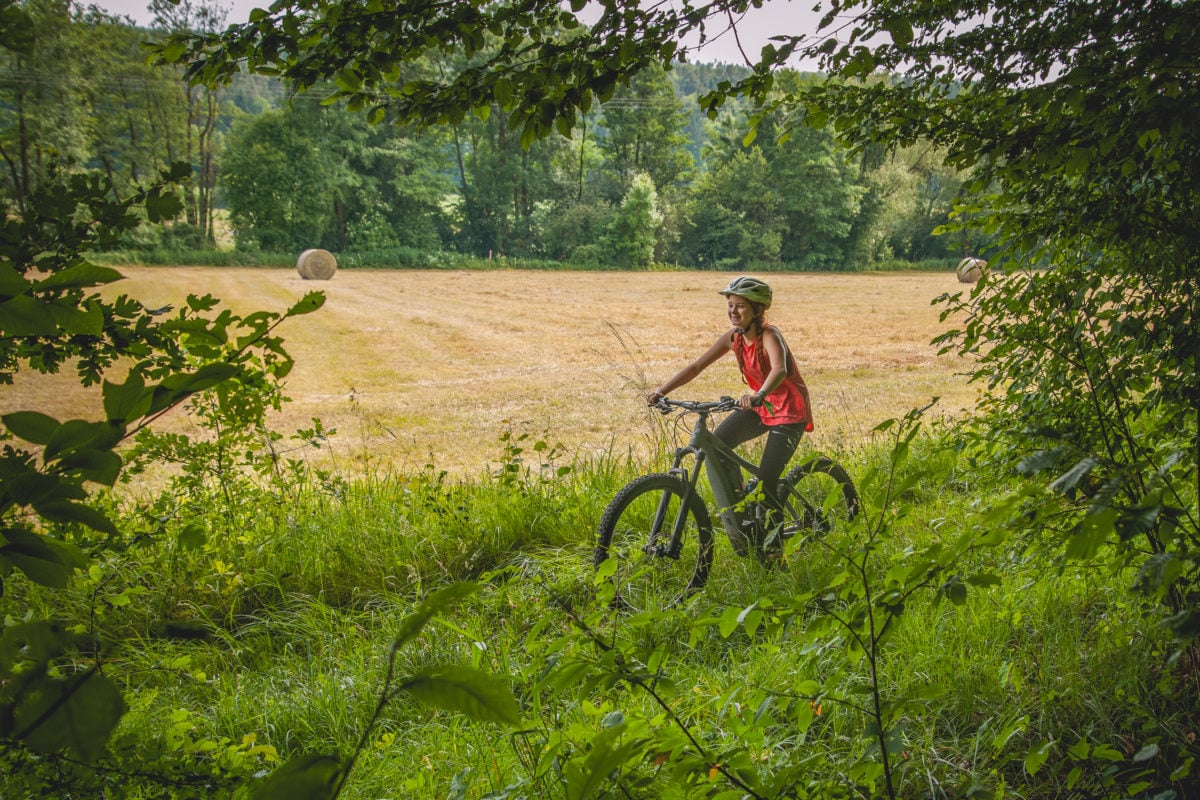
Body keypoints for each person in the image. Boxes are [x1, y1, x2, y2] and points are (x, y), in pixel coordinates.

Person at [646, 276, 813, 554]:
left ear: (757, 310)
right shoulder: (733, 338)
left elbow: (779, 368)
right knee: (718, 446)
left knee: (768, 480)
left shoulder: (770, 335)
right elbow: (697, 365)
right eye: (730, 305)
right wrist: (662, 391)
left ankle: (772, 553)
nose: (733, 312)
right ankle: (743, 510)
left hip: (788, 411)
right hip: (762, 406)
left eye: (740, 307)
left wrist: (759, 394)